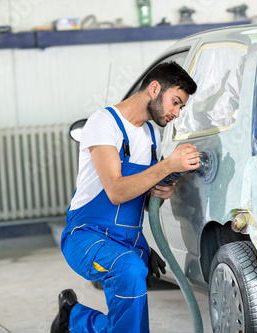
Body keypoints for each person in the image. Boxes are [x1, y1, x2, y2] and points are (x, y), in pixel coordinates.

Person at [51, 61, 198, 333]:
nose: (177, 113)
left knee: (127, 310)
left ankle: (73, 319)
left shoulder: (153, 135)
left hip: (127, 241)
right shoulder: (103, 123)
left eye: (181, 107)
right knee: (129, 269)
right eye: (175, 102)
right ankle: (74, 319)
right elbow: (117, 191)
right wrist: (167, 166)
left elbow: (140, 198)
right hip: (86, 236)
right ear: (154, 89)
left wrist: (162, 192)